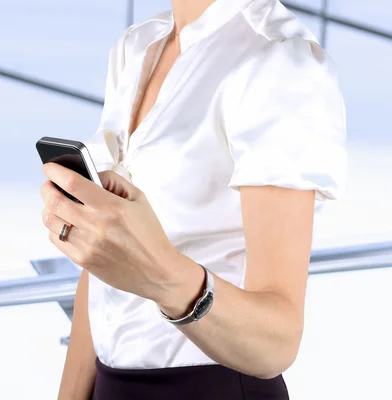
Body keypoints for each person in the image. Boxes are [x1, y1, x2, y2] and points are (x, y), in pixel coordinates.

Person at [39, 0, 346, 398]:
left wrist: (163, 275)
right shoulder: (137, 46)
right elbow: (104, 270)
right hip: (111, 384)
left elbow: (278, 342)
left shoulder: (277, 61)